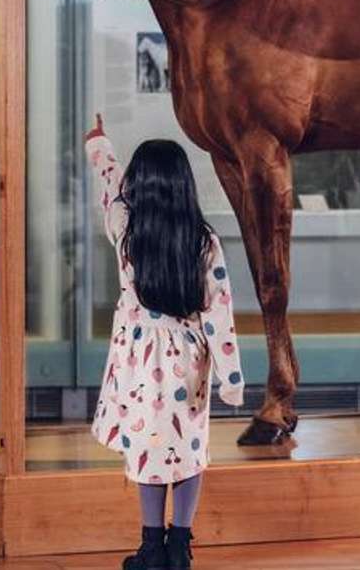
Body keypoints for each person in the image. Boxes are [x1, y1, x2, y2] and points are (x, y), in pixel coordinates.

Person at [86, 116, 243, 570]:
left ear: (142, 184)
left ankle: (151, 547)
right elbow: (219, 313)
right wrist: (231, 380)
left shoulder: (127, 232)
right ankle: (180, 546)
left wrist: (99, 142)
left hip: (139, 360)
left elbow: (110, 184)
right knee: (189, 449)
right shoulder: (204, 241)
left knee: (148, 449)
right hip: (189, 359)